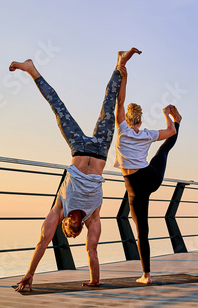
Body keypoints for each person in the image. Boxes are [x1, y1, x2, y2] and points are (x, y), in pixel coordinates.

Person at [11, 47, 141, 291]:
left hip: (89, 149)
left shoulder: (76, 212)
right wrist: (93, 281)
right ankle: (118, 64)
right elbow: (74, 247)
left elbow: (61, 245)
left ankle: (33, 69)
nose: (69, 224)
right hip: (91, 148)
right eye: (70, 228)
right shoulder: (78, 213)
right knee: (89, 104)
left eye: (67, 226)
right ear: (73, 226)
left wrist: (30, 273)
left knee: (80, 104)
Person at [114, 77, 182, 284]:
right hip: (151, 177)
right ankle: (180, 119)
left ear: (126, 118)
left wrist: (123, 76)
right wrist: (169, 118)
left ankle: (146, 275)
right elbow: (170, 132)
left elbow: (120, 100)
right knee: (163, 150)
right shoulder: (147, 134)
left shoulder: (122, 130)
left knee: (142, 230)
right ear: (140, 121)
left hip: (134, 185)